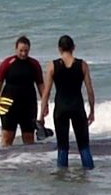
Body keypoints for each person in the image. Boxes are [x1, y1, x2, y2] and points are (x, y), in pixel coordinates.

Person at [40, 34, 95, 168]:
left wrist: (41, 115)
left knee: (62, 146)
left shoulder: (52, 66)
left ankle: (61, 178)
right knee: (83, 146)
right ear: (73, 48)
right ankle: (89, 176)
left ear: (59, 49)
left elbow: (46, 92)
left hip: (61, 109)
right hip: (77, 107)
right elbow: (89, 90)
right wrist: (92, 111)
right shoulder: (82, 65)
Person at [0, 35, 45, 146]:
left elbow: (41, 85)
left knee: (29, 140)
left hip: (28, 106)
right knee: (7, 138)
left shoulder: (34, 64)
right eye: (21, 51)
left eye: (26, 51)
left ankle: (27, 162)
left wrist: (45, 105)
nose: (24, 53)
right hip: (9, 106)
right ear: (16, 49)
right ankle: (5, 162)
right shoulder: (7, 63)